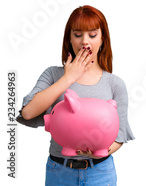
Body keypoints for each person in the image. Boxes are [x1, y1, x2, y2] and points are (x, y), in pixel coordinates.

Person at [17, 5, 134, 185]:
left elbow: (120, 136)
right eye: (78, 35)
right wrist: (69, 77)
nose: (84, 41)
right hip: (59, 171)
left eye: (92, 35)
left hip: (100, 173)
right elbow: (28, 113)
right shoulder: (53, 75)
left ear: (102, 39)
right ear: (69, 39)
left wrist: (97, 151)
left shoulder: (115, 83)